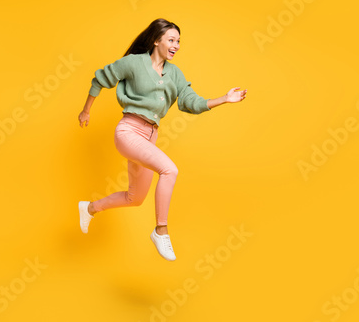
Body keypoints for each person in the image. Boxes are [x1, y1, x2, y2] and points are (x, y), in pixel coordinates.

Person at [78, 18, 247, 261]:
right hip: (129, 131)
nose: (176, 45)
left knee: (134, 198)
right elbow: (100, 79)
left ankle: (90, 208)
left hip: (149, 137)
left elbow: (192, 102)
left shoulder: (175, 74)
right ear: (156, 40)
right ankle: (161, 230)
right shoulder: (134, 63)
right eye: (171, 40)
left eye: (178, 41)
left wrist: (224, 99)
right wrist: (86, 110)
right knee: (170, 170)